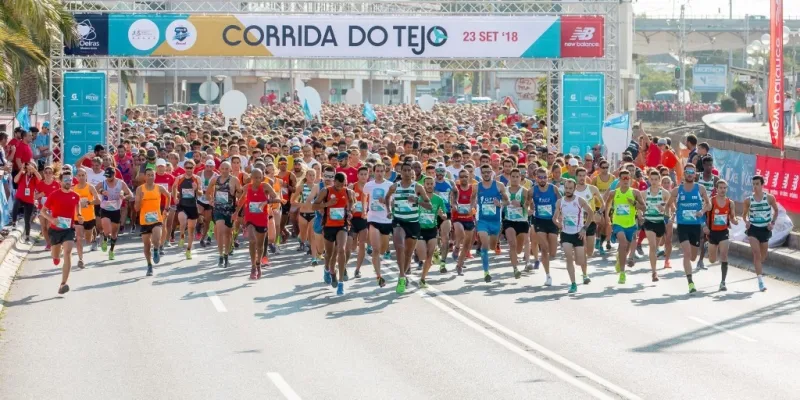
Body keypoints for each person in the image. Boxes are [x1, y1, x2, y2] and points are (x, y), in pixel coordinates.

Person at [386, 162, 431, 293]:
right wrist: (388, 210)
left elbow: (428, 205)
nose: (406, 173)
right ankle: (401, 276)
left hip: (413, 222)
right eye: (403, 170)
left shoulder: (418, 187)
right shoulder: (395, 186)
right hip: (399, 220)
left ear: (412, 172)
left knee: (409, 253)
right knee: (399, 246)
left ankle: (404, 274)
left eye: (408, 170)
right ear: (400, 172)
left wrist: (417, 201)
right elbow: (387, 197)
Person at [665, 163, 710, 294]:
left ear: (695, 174)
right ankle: (690, 282)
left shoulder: (700, 188)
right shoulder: (677, 190)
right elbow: (669, 205)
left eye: (692, 172)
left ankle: (696, 256)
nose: (690, 174)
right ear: (684, 174)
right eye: (687, 172)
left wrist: (702, 211)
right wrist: (672, 215)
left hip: (695, 226)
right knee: (687, 253)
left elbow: (709, 204)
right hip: (683, 225)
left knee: (693, 257)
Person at [40, 168, 82, 294]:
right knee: (56, 256)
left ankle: (63, 284)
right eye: (65, 180)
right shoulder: (54, 195)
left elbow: (77, 206)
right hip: (55, 230)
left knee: (68, 253)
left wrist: (79, 215)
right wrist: (52, 219)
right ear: (60, 181)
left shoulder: (75, 196)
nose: (68, 182)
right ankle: (55, 257)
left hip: (68, 229)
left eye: (70, 180)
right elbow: (43, 211)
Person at [313, 172, 354, 295]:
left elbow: (352, 203)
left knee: (341, 249)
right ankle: (327, 269)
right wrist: (326, 204)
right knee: (329, 255)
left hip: (342, 225)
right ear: (334, 181)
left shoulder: (348, 192)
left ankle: (341, 283)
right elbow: (314, 206)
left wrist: (350, 211)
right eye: (338, 184)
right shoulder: (325, 191)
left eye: (343, 184)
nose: (340, 187)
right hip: (329, 226)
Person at [235, 167, 278, 280]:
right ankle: (253, 266)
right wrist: (236, 212)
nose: (258, 180)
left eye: (260, 177)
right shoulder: (247, 187)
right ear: (251, 178)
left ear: (262, 177)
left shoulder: (265, 186)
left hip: (262, 218)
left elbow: (276, 197)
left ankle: (258, 264)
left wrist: (266, 202)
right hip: (250, 218)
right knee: (252, 240)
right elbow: (242, 200)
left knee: (260, 245)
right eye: (255, 178)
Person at [605, 167, 645, 284]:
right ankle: (622, 273)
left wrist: (634, 203)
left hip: (631, 224)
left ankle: (620, 260)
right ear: (619, 180)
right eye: (623, 178)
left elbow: (644, 207)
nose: (625, 180)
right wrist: (607, 216)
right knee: (622, 244)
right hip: (618, 224)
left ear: (631, 179)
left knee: (626, 247)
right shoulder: (614, 193)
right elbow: (607, 205)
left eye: (627, 178)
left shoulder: (635, 192)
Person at [553, 179, 594, 293]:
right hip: (566, 234)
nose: (568, 190)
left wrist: (584, 228)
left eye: (570, 188)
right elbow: (554, 218)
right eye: (566, 188)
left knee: (579, 261)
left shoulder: (580, 200)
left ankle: (584, 274)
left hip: (578, 234)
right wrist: (559, 224)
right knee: (568, 258)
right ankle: (573, 283)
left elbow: (591, 213)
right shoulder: (560, 202)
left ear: (574, 189)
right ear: (564, 188)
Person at [742, 175, 779, 292]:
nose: (755, 186)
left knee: (763, 256)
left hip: (765, 229)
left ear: (762, 185)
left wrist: (772, 223)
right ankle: (760, 281)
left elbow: (776, 210)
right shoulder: (748, 200)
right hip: (753, 229)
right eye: (753, 184)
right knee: (756, 253)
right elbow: (744, 215)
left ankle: (757, 266)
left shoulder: (769, 198)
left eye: (757, 184)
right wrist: (746, 222)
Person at [474, 164, 508, 283]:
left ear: (492, 173)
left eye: (488, 172)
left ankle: (493, 246)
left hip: (495, 221)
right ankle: (486, 271)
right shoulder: (477, 187)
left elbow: (507, 200)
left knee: (492, 246)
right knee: (484, 243)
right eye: (484, 173)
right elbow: (472, 200)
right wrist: (473, 207)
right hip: (482, 220)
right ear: (481, 174)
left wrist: (501, 204)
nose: (486, 174)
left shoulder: (499, 186)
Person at [134, 168, 171, 276]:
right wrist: (140, 200)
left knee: (156, 239)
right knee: (146, 245)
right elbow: (136, 208)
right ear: (145, 176)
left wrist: (166, 209)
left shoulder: (159, 188)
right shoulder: (140, 189)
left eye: (152, 175)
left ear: (155, 176)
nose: (150, 177)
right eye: (148, 175)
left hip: (157, 219)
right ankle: (149, 265)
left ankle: (156, 249)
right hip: (144, 221)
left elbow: (168, 196)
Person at [704, 180, 737, 291]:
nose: (723, 190)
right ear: (716, 189)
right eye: (720, 188)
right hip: (712, 233)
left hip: (723, 232)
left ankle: (723, 282)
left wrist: (735, 221)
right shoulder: (711, 201)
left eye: (724, 188)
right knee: (712, 260)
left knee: (724, 256)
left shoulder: (730, 203)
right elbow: (703, 214)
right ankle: (708, 245)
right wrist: (704, 226)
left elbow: (732, 217)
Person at [364, 163, 393, 287]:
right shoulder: (369, 185)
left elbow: (394, 201)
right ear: (373, 172)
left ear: (385, 172)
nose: (380, 173)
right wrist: (364, 210)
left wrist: (386, 201)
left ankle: (377, 265)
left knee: (382, 250)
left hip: (386, 220)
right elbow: (364, 197)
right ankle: (379, 276)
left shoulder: (390, 185)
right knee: (375, 249)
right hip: (373, 219)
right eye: (377, 171)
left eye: (382, 171)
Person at [207, 161, 241, 268]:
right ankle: (220, 255)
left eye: (227, 169)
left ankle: (226, 255)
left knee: (228, 234)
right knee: (220, 231)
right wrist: (211, 201)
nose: (225, 171)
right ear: (220, 169)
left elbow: (240, 193)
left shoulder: (234, 180)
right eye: (223, 168)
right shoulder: (215, 180)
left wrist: (236, 196)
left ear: (230, 169)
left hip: (230, 210)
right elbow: (208, 192)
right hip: (218, 209)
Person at [532, 166, 561, 286]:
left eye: (544, 177)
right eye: (540, 177)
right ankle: (548, 275)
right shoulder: (532, 191)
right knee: (544, 249)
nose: (542, 179)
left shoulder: (554, 189)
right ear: (536, 178)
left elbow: (561, 202)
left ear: (548, 177)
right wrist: (529, 208)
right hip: (539, 221)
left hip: (552, 221)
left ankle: (548, 263)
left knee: (553, 253)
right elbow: (528, 203)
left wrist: (560, 217)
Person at [416, 176, 447, 288]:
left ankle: (423, 279)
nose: (429, 185)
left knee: (429, 258)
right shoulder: (418, 198)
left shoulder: (438, 199)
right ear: (424, 185)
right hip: (419, 229)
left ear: (434, 185)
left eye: (431, 183)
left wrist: (441, 214)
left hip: (432, 229)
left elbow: (445, 216)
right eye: (427, 184)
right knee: (423, 256)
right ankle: (433, 253)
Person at [96, 167, 134, 260]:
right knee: (107, 230)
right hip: (105, 209)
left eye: (110, 176)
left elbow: (131, 195)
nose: (108, 178)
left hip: (116, 210)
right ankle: (105, 238)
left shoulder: (120, 183)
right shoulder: (103, 183)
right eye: (106, 176)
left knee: (114, 234)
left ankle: (111, 251)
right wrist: (101, 191)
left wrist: (123, 196)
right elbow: (95, 189)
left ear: (114, 175)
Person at [642, 169, 671, 281]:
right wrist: (640, 214)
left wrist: (665, 210)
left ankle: (655, 268)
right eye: (651, 179)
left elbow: (670, 208)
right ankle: (654, 272)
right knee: (652, 246)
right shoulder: (644, 193)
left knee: (657, 246)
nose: (653, 181)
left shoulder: (665, 193)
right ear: (649, 180)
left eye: (656, 179)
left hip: (660, 222)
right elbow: (640, 207)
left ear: (659, 180)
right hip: (649, 222)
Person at [502, 168, 531, 279]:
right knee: (512, 244)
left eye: (517, 177)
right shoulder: (505, 190)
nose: (514, 179)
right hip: (509, 221)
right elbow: (503, 202)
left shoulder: (524, 191)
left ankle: (518, 258)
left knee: (518, 248)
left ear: (520, 178)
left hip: (522, 222)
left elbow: (528, 205)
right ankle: (515, 269)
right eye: (512, 176)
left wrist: (520, 204)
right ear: (509, 177)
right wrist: (502, 203)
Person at [173, 160, 202, 259]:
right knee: (182, 220)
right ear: (184, 168)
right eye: (187, 168)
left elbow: (201, 193)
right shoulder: (179, 178)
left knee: (191, 230)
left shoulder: (197, 179)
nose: (189, 170)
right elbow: (174, 187)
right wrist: (175, 197)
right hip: (182, 205)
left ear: (194, 168)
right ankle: (181, 235)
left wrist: (196, 189)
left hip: (193, 206)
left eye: (191, 168)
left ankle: (188, 250)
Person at [73, 168, 101, 269]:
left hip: (89, 217)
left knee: (88, 240)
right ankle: (81, 259)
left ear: (86, 176)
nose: (81, 177)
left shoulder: (90, 187)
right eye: (79, 175)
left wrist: (89, 203)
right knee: (79, 238)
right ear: (76, 177)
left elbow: (98, 201)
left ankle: (93, 236)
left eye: (83, 175)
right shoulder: (74, 189)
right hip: (78, 217)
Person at [574, 167, 604, 261]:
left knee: (590, 252)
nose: (582, 178)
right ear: (576, 177)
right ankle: (582, 268)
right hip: (577, 223)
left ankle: (583, 264)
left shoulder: (592, 188)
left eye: (584, 175)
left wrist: (599, 212)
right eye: (580, 176)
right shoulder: (572, 189)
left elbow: (603, 204)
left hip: (590, 222)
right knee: (580, 249)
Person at [451, 169, 476, 276]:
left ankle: (459, 266)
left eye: (466, 176)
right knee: (460, 232)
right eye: (461, 177)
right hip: (457, 217)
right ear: (459, 178)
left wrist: (473, 208)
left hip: (469, 218)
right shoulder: (456, 188)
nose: (464, 179)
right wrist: (454, 206)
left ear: (469, 177)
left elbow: (474, 202)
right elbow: (452, 200)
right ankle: (456, 247)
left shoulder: (473, 188)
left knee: (466, 245)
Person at [695, 155, 719, 269]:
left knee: (704, 236)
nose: (709, 167)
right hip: (695, 210)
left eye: (711, 165)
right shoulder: (697, 177)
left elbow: (719, 194)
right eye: (707, 165)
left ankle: (700, 260)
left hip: (708, 210)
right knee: (696, 236)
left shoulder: (715, 179)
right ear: (703, 165)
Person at [348, 166, 370, 278]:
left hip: (364, 220)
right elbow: (346, 202)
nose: (363, 176)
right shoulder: (352, 187)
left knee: (362, 244)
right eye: (361, 174)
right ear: (357, 175)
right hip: (352, 220)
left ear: (368, 175)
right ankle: (343, 266)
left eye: (365, 174)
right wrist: (351, 209)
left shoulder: (371, 188)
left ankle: (357, 269)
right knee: (351, 246)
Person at [12, 162, 41, 243]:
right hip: (20, 197)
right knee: (15, 204)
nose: (29, 167)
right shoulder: (23, 174)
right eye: (28, 166)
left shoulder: (34, 177)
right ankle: (14, 222)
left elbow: (40, 178)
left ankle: (27, 236)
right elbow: (15, 180)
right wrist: (21, 170)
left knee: (27, 219)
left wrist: (34, 170)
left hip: (29, 200)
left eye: (31, 166)